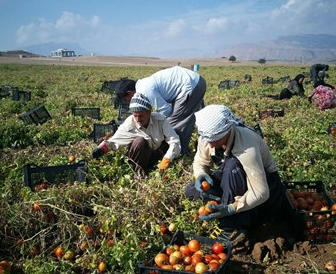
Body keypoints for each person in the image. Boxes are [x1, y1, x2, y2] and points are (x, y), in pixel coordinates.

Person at [185, 105, 288, 246]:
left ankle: (234, 224)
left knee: (232, 167)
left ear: (227, 130)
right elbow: (200, 161)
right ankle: (228, 206)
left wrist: (231, 208)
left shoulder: (247, 147)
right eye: (208, 139)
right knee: (192, 190)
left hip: (265, 187)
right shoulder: (207, 137)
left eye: (215, 139)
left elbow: (261, 192)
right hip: (234, 176)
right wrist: (201, 174)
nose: (210, 143)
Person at [115, 66, 207, 155]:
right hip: (196, 81)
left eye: (126, 100)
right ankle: (204, 145)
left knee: (175, 125)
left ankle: (178, 154)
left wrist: (157, 128)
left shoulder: (144, 91)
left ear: (129, 93)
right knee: (196, 119)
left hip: (190, 86)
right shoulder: (143, 84)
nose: (128, 103)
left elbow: (166, 111)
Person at [91, 93, 181, 177]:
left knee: (166, 143)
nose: (138, 119)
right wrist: (101, 149)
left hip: (157, 154)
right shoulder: (129, 124)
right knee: (139, 142)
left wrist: (167, 159)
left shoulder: (160, 121)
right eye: (135, 116)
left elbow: (174, 141)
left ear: (149, 112)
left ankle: (159, 170)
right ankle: (140, 174)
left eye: (141, 116)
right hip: (140, 156)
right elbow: (114, 142)